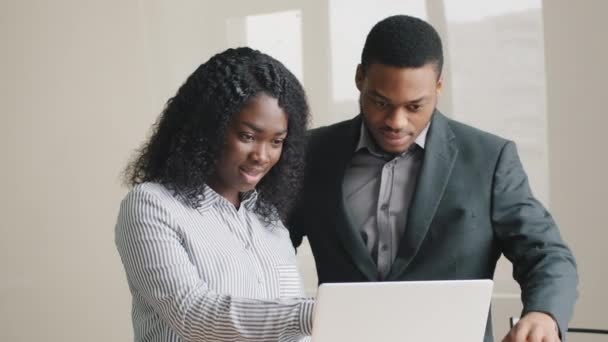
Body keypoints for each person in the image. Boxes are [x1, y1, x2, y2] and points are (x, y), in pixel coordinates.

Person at [288, 15, 577, 342]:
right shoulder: (311, 154)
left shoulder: (489, 159)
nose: (396, 121)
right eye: (381, 102)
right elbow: (268, 249)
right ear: (359, 78)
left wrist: (543, 314)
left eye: (414, 106)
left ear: (438, 87)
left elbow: (546, 253)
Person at [115, 47, 314, 342]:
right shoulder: (151, 205)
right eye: (247, 136)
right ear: (208, 127)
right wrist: (311, 314)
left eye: (276, 141)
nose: (262, 155)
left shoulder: (268, 218)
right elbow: (193, 315)